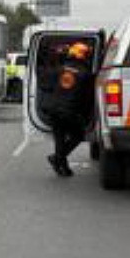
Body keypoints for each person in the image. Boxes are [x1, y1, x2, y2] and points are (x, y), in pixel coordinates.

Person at [43, 42, 94, 177]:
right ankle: (57, 158)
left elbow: (47, 86)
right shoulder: (85, 74)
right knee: (78, 135)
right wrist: (86, 116)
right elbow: (87, 99)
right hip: (70, 111)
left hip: (53, 109)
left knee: (59, 139)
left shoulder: (59, 69)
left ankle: (63, 168)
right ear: (84, 57)